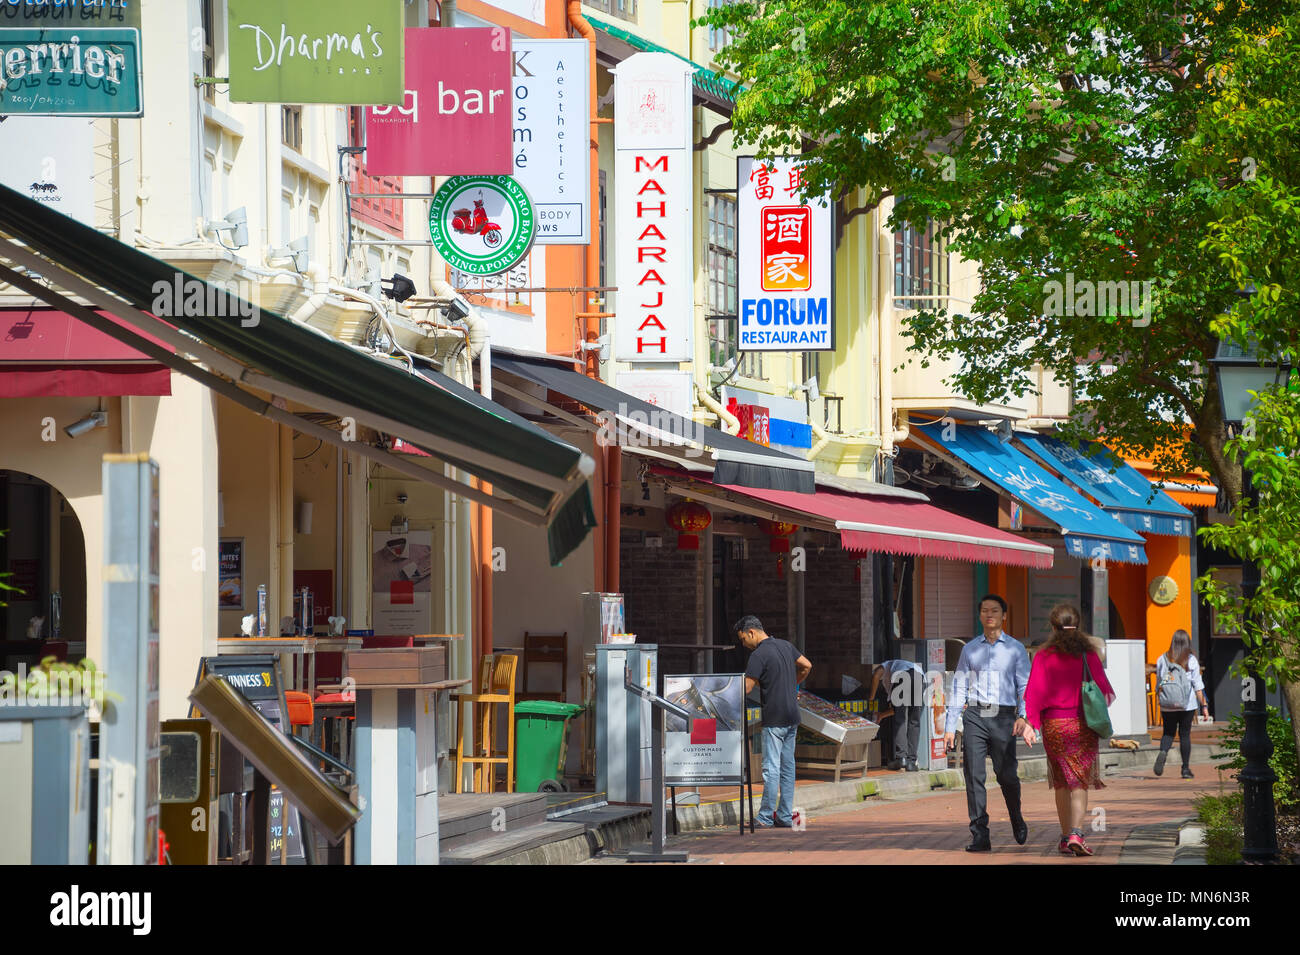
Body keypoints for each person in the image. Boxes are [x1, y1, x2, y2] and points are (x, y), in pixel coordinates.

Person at [1022, 604, 1116, 857]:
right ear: (1078, 625)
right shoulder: (1089, 653)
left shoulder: (1043, 655)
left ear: (1053, 626)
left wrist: (1032, 723)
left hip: (1054, 726)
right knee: (1079, 782)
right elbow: (1104, 689)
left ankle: (1065, 837)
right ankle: (1077, 832)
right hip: (1082, 724)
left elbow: (1035, 693)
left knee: (1062, 781)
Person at [943, 594, 1032, 852]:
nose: (989, 614)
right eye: (984, 611)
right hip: (975, 717)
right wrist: (950, 726)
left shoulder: (1015, 649)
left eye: (994, 610)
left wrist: (1023, 716)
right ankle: (980, 833)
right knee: (974, 776)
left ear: (1004, 616)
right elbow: (959, 686)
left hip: (1004, 717)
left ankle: (1016, 815)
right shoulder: (970, 649)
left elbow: (1024, 684)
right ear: (980, 615)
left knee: (1006, 776)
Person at [735, 615, 812, 828]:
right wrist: (793, 686)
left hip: (774, 718)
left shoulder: (758, 655)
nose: (744, 644)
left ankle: (766, 816)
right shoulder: (786, 646)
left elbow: (746, 688)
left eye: (743, 639)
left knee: (771, 768)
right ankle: (786, 816)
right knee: (788, 767)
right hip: (792, 717)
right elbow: (806, 665)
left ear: (751, 632)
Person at [1154, 629, 1209, 779]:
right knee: (1184, 735)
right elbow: (1198, 686)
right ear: (1187, 643)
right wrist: (1204, 706)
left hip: (1168, 703)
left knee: (1168, 732)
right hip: (1187, 704)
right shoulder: (1190, 660)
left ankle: (1163, 751)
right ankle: (1185, 769)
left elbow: (1159, 682)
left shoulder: (1162, 659)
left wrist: (1161, 698)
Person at [870, 659, 924, 771]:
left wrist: (871, 699)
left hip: (903, 676)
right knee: (914, 721)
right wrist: (882, 715)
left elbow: (876, 675)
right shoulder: (894, 672)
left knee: (900, 720)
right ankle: (911, 762)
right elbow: (894, 709)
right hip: (919, 677)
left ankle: (901, 758)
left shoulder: (887, 665)